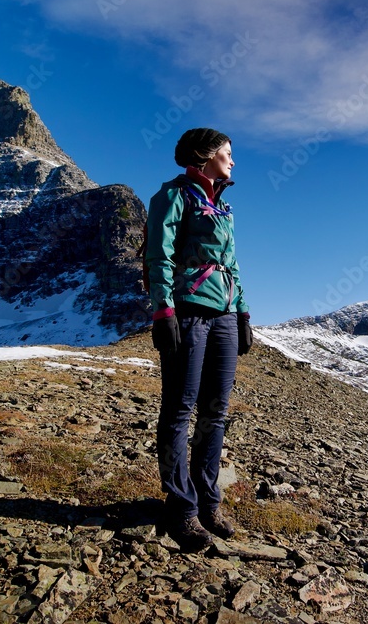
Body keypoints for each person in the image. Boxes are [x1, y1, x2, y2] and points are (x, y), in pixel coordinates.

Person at [145, 127, 253, 551]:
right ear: (205, 155)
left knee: (215, 411)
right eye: (227, 153)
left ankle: (209, 502)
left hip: (224, 316)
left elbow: (233, 264)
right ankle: (181, 507)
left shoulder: (222, 206)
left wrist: (242, 311)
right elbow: (159, 255)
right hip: (188, 313)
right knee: (179, 409)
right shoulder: (172, 196)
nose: (232, 160)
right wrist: (163, 310)